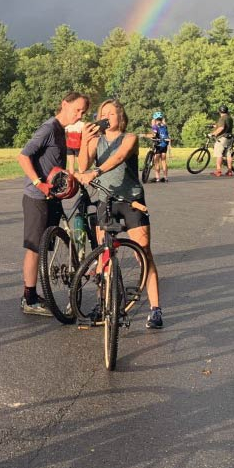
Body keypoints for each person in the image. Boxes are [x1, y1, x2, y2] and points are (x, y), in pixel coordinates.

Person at [76, 99, 163, 330]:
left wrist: (96, 171)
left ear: (120, 117)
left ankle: (155, 309)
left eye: (111, 114)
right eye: (103, 114)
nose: (107, 117)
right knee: (103, 257)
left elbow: (119, 158)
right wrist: (85, 141)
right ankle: (103, 303)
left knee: (143, 253)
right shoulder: (97, 140)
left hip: (131, 200)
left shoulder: (130, 138)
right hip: (106, 200)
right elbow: (83, 165)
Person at [17, 92, 96, 315]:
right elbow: (23, 156)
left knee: (46, 245)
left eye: (83, 112)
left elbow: (66, 163)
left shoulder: (63, 131)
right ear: (64, 104)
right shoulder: (49, 128)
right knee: (34, 248)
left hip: (52, 197)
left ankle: (35, 294)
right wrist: (38, 183)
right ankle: (29, 298)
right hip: (37, 197)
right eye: (76, 110)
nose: (79, 115)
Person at [211, 103, 234, 177]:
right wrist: (215, 126)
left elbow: (221, 128)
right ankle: (230, 171)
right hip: (230, 138)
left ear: (219, 112)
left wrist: (213, 133)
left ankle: (218, 171)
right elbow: (224, 125)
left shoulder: (222, 118)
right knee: (228, 154)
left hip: (222, 138)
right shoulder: (229, 117)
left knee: (219, 154)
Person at [147, 112, 170, 182]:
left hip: (158, 145)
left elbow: (154, 134)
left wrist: (149, 136)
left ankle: (157, 178)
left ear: (155, 119)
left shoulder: (155, 126)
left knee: (156, 161)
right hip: (165, 144)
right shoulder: (165, 126)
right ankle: (166, 178)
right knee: (163, 160)